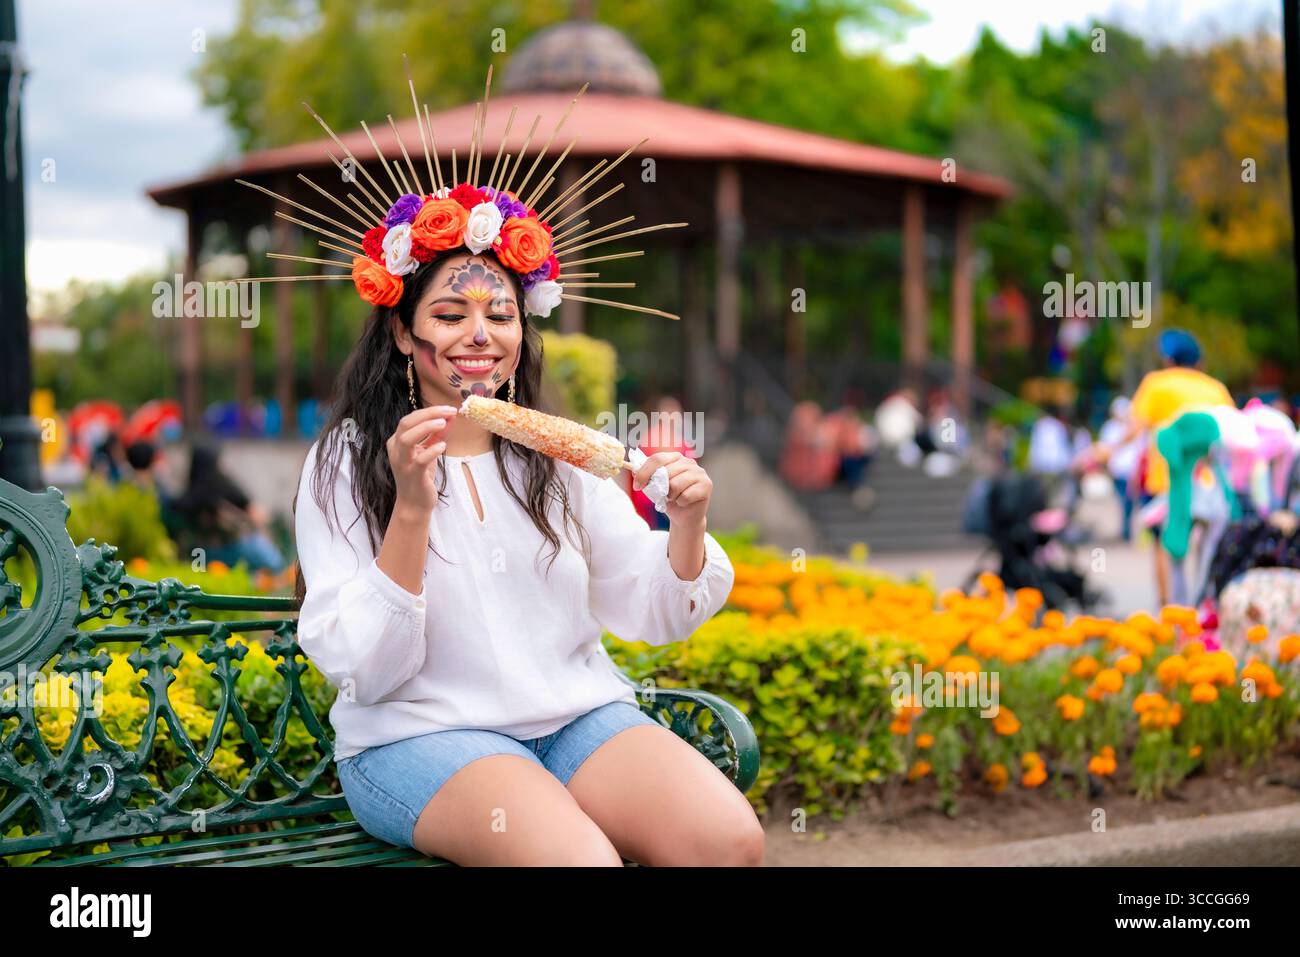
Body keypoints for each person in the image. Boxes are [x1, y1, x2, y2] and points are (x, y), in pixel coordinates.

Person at [283, 68, 760, 867]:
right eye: (450, 313)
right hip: (421, 734)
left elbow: (648, 608)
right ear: (403, 333)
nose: (480, 334)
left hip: (576, 718)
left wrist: (687, 525)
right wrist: (411, 506)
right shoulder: (347, 459)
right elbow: (365, 668)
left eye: (500, 313)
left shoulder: (553, 454)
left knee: (728, 840)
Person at [1094, 329, 1234, 606]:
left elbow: (1135, 428)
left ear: (1168, 359)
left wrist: (1107, 450)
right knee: (1203, 548)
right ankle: (1201, 605)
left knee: (1166, 544)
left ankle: (1168, 608)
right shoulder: (1215, 388)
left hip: (1167, 482)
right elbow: (1230, 432)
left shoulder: (1156, 383)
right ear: (1198, 361)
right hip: (1210, 485)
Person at [172, 440, 286, 573]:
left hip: (200, 555)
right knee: (272, 560)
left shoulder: (190, 492)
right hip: (232, 549)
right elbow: (260, 515)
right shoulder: (222, 484)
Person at [1097, 396, 1143, 542]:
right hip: (1118, 472)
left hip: (1131, 472)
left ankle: (1127, 532)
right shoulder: (1110, 427)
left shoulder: (1134, 427)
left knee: (1129, 503)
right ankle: (1126, 532)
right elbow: (1105, 449)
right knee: (1124, 502)